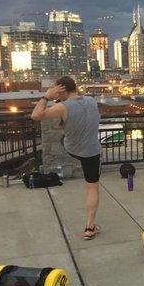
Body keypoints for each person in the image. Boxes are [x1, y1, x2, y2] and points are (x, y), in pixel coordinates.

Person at [31, 76, 102, 239]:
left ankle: (66, 129)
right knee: (92, 187)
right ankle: (90, 228)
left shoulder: (61, 106)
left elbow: (35, 115)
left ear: (61, 89)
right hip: (91, 151)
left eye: (56, 90)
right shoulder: (91, 101)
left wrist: (46, 96)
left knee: (64, 136)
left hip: (72, 148)